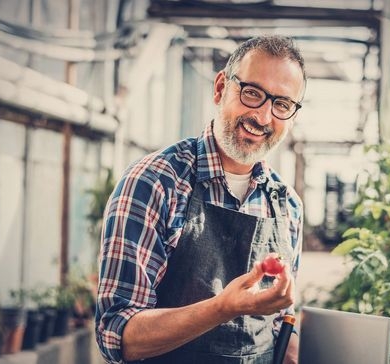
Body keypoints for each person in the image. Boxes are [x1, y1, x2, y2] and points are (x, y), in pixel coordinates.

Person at [96, 35, 306, 364]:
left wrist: (290, 347)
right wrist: (222, 308)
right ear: (221, 88)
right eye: (252, 93)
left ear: (292, 116)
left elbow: (284, 318)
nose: (264, 117)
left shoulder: (287, 205)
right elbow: (117, 336)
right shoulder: (154, 183)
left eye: (282, 104)